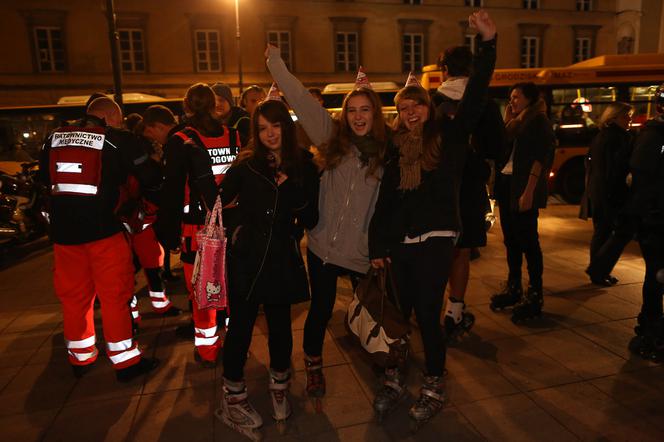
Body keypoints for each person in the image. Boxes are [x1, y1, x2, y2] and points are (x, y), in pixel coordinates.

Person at [368, 10, 496, 428]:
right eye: (403, 107)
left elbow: (476, 96)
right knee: (400, 313)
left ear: (428, 107)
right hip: (401, 243)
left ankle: (434, 383)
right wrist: (377, 247)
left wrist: (488, 45)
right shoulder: (395, 150)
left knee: (426, 312)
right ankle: (395, 375)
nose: (410, 112)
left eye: (417, 105)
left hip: (438, 237)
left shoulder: (449, 138)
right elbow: (385, 202)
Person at [266, 45, 391, 405]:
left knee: (371, 311)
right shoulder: (331, 139)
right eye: (351, 110)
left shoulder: (387, 152)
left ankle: (386, 364)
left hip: (364, 251)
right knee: (319, 310)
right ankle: (314, 366)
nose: (357, 117)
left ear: (375, 113)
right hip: (322, 246)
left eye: (364, 109)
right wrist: (277, 63)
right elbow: (301, 101)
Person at [218, 99, 319, 439]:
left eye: (275, 126)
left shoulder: (304, 163)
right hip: (246, 257)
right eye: (262, 128)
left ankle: (280, 387)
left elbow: (311, 217)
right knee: (241, 327)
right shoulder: (246, 165)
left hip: (280, 255)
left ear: (286, 128)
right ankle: (233, 395)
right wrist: (238, 228)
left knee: (279, 326)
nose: (269, 133)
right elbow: (219, 204)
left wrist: (289, 187)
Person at [38, 97, 159, 382]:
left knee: (74, 297)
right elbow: (149, 177)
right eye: (118, 118)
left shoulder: (53, 138)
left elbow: (45, 178)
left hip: (65, 237)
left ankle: (81, 357)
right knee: (115, 295)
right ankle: (125, 363)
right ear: (109, 117)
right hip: (104, 232)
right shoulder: (116, 140)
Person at [155, 84, 241, 368]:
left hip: (199, 229)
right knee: (231, 284)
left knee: (204, 288)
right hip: (234, 224)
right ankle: (233, 340)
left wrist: (168, 234)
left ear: (187, 107)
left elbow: (172, 191)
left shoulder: (181, 140)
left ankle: (207, 349)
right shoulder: (235, 136)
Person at [432, 45, 505, 340]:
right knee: (461, 252)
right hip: (471, 184)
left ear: (445, 70)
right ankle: (455, 310)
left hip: (438, 185)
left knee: (437, 249)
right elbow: (498, 146)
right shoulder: (484, 103)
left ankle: (428, 307)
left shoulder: (433, 100)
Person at [489, 82, 555, 322]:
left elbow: (541, 158)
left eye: (516, 97)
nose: (512, 101)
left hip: (523, 186)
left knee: (528, 241)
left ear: (530, 99)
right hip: (507, 184)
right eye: (511, 97)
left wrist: (529, 192)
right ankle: (513, 286)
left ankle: (535, 292)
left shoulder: (538, 121)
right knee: (511, 240)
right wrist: (506, 123)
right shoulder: (514, 124)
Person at [628, 83, 664, 362]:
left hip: (654, 218)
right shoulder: (653, 138)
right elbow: (643, 184)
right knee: (656, 276)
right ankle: (651, 328)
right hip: (656, 221)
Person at [583, 102, 634, 286]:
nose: (630, 119)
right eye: (626, 115)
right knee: (610, 233)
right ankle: (598, 271)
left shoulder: (603, 135)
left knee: (601, 232)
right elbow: (616, 169)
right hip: (610, 192)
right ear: (614, 117)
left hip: (599, 190)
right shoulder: (618, 138)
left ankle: (599, 270)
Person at [212, 83, 251, 147]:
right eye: (213, 101)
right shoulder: (208, 122)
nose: (217, 105)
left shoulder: (243, 120)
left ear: (229, 102)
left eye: (221, 100)